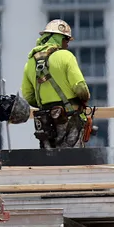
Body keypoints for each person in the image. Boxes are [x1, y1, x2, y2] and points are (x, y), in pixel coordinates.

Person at [22, 19, 92, 149]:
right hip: (69, 116)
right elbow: (81, 89)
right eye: (66, 40)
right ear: (58, 38)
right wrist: (84, 100)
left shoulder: (30, 63)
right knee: (72, 158)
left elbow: (28, 96)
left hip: (45, 120)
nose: (67, 44)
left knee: (49, 159)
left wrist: (47, 103)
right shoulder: (66, 56)